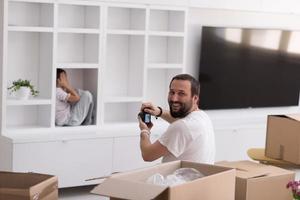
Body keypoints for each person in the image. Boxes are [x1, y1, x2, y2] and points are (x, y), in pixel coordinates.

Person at [138, 74, 215, 164]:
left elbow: (148, 155)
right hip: (198, 177)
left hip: (177, 178)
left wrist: (144, 131)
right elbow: (181, 122)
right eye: (172, 92)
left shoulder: (182, 127)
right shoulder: (202, 117)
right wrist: (159, 112)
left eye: (181, 93)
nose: (174, 99)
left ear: (195, 98)